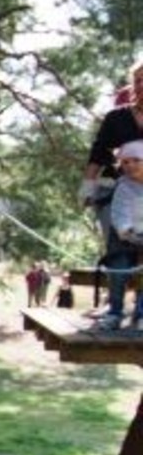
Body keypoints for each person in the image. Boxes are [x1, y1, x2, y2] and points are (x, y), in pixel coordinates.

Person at [79, 58, 143, 243]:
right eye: (137, 80)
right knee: (119, 255)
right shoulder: (116, 118)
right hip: (114, 191)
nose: (141, 84)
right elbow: (98, 154)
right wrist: (87, 188)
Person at [97, 139, 143, 330]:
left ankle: (141, 313)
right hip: (124, 240)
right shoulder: (123, 187)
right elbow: (119, 214)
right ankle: (115, 312)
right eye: (125, 162)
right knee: (118, 270)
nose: (130, 165)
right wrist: (128, 231)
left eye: (136, 160)